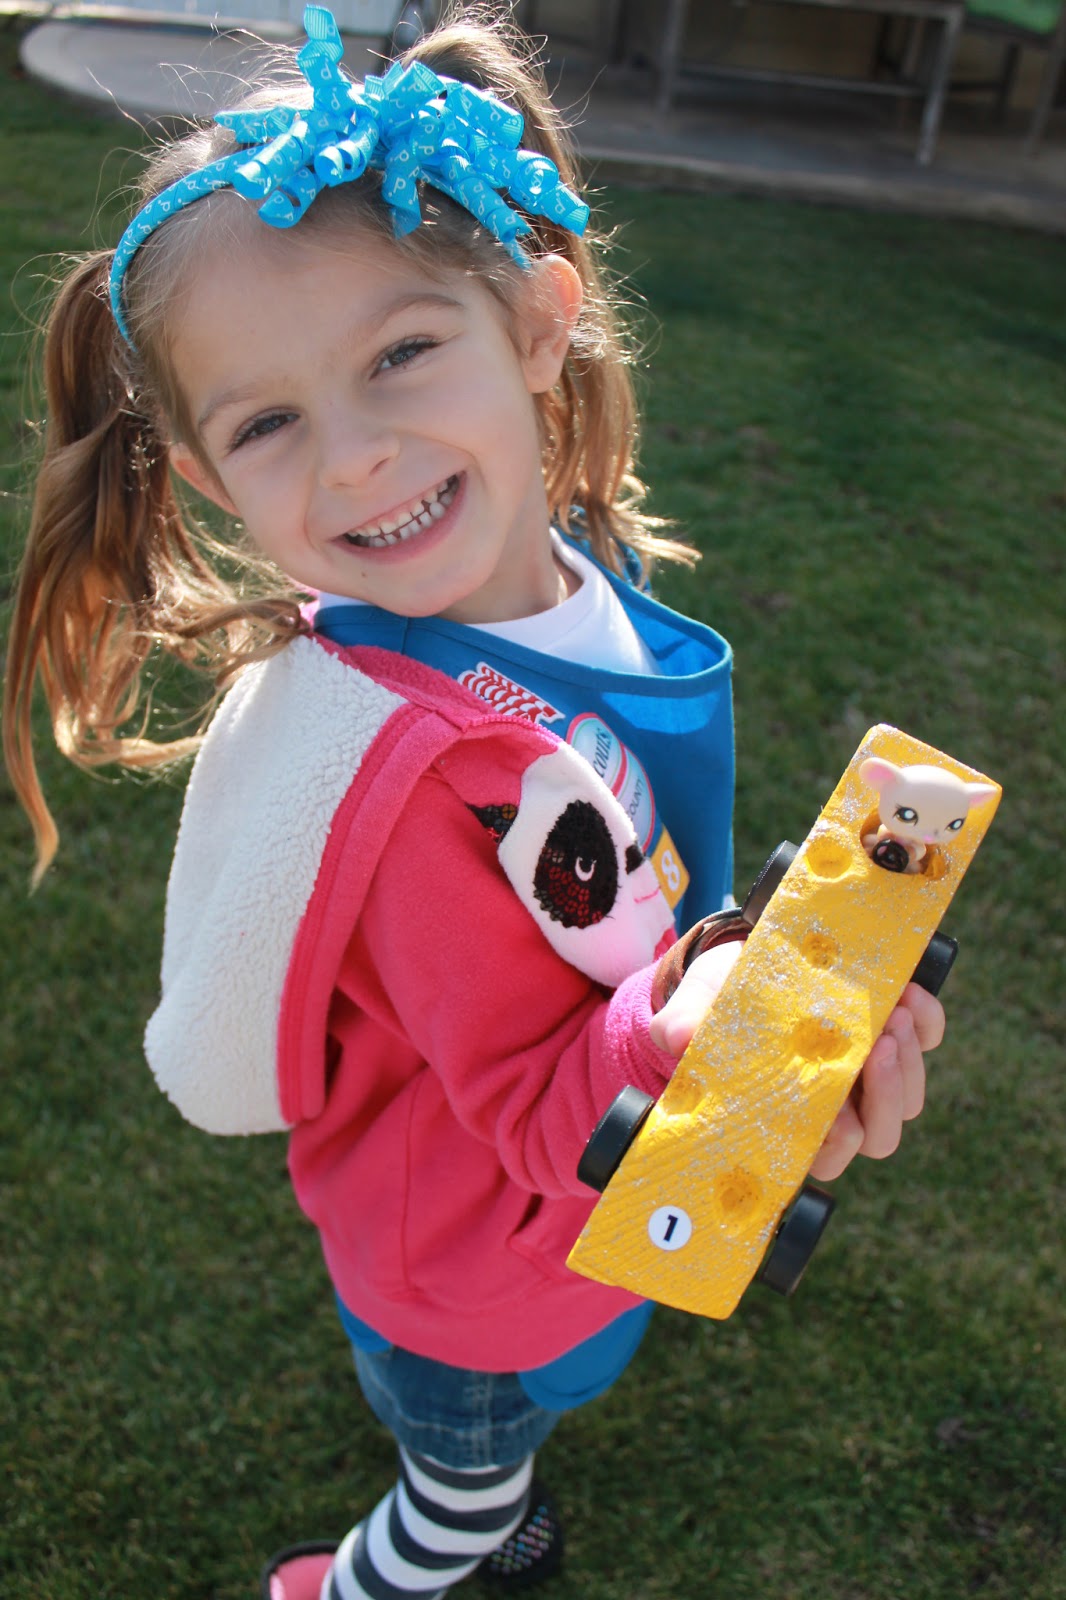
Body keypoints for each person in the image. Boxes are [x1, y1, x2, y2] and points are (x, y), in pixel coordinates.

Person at [3, 8, 941, 1599]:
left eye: (397, 355)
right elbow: (532, 1102)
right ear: (217, 483)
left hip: (588, 1225)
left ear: (531, 325)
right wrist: (701, 1022)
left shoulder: (570, 568)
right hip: (477, 1275)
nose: (358, 458)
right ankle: (414, 1564)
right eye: (269, 422)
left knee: (531, 1406)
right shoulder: (423, 766)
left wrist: (767, 1000)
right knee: (468, 1464)